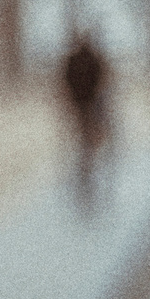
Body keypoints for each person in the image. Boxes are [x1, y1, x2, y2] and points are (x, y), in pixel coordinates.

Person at [59, 32, 109, 209]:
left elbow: (66, 80)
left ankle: (85, 154)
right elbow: (100, 80)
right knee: (87, 134)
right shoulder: (92, 58)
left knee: (83, 134)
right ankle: (87, 154)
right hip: (88, 102)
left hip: (80, 103)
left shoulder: (74, 59)